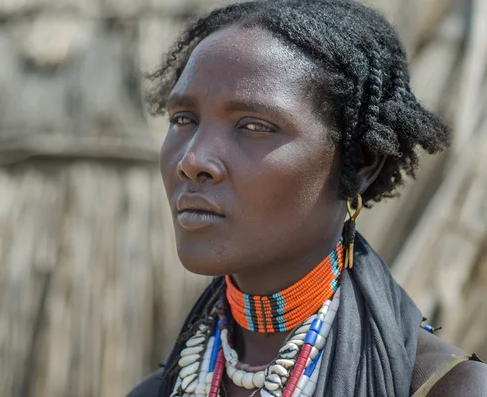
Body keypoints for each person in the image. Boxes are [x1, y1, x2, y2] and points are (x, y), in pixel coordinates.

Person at [128, 0, 487, 396]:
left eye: (254, 125)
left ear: (361, 161)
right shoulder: (157, 391)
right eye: (183, 120)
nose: (192, 160)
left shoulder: (446, 388)